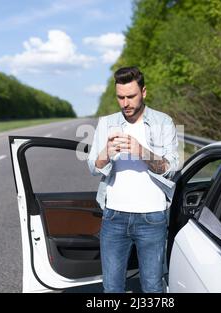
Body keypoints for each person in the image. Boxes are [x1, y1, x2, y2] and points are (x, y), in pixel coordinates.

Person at [87, 67, 179, 293]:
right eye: (120, 97)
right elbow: (93, 167)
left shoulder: (163, 122)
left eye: (131, 96)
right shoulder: (106, 123)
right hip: (114, 216)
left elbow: (172, 167)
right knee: (112, 288)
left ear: (144, 92)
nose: (125, 103)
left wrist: (142, 152)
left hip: (153, 216)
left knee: (152, 287)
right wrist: (105, 153)